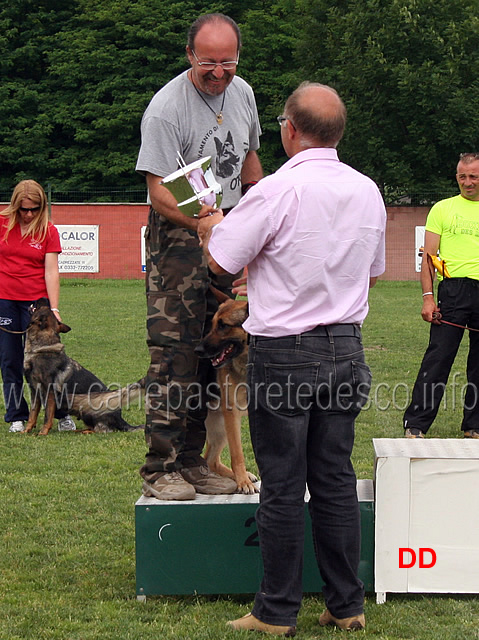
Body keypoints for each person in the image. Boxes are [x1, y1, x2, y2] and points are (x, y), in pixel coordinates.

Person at [198, 82, 386, 635]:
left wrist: (213, 227)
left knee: (282, 485)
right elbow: (372, 270)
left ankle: (275, 613)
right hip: (347, 346)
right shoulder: (368, 190)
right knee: (333, 479)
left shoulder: (277, 190)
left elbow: (220, 262)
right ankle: (345, 604)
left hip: (284, 352)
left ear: (290, 130)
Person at [135, 13, 263, 500]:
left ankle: (193, 462)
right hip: (179, 239)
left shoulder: (244, 93)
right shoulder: (166, 110)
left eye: (227, 61)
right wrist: (203, 223)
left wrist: (258, 207)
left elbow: (249, 157)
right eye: (208, 61)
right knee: (174, 356)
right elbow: (158, 191)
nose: (218, 71)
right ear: (190, 55)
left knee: (217, 354)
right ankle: (160, 468)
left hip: (227, 233)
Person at [403, 153, 479, 439]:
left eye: (473, 176)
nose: (467, 182)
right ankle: (416, 424)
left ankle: (475, 425)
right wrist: (428, 297)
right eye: (462, 176)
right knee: (438, 358)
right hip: (454, 291)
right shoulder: (443, 209)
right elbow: (429, 258)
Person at [0, 180, 76, 433]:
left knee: (50, 362)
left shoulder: (48, 230)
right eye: (24, 209)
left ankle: (62, 414)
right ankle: (16, 416)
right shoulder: (2, 225)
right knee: (10, 360)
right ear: (15, 206)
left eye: (34, 208)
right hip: (5, 301)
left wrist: (54, 309)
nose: (29, 214)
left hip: (36, 306)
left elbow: (51, 271)